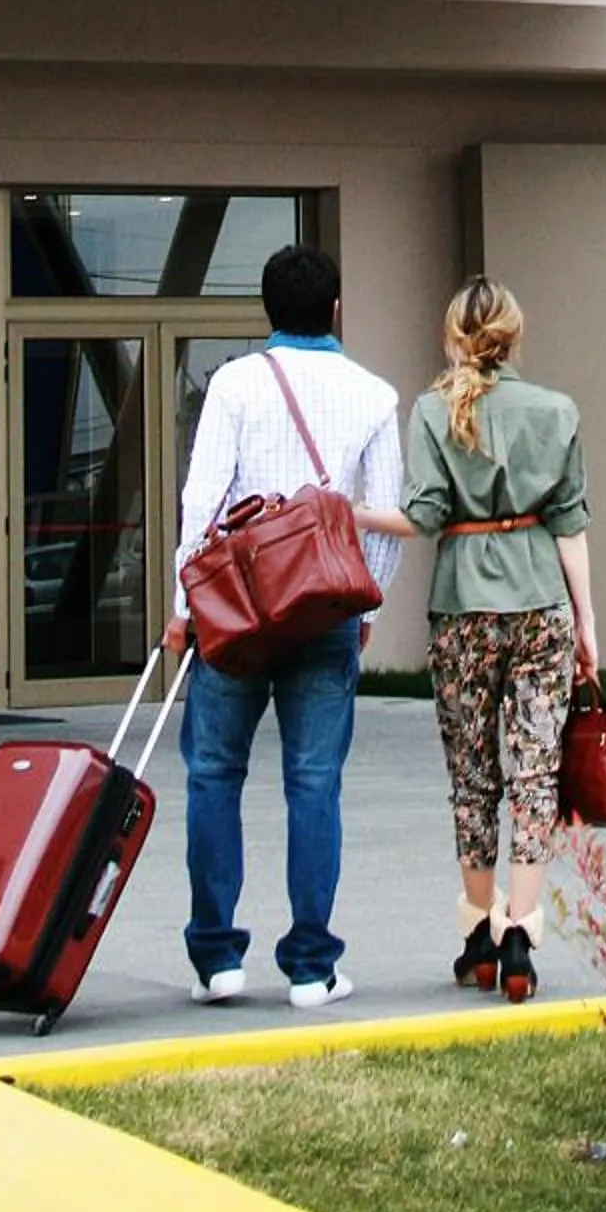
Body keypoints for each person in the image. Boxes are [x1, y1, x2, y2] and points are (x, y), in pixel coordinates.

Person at [163, 241, 403, 1009]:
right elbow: (384, 519)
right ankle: (310, 966)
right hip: (325, 610)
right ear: (335, 310)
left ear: (267, 311)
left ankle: (216, 959)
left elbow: (202, 506)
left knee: (212, 776)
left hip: (234, 613)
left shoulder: (234, 385)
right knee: (314, 784)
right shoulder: (374, 395)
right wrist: (366, 604)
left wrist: (181, 611)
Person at [357, 274, 596, 1004]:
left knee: (472, 778)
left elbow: (423, 517)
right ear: (514, 336)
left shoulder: (433, 411)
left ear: (453, 336)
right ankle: (520, 931)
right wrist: (588, 627)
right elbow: (571, 522)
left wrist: (356, 514)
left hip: (462, 607)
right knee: (534, 776)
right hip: (541, 605)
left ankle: (477, 939)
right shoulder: (557, 411)